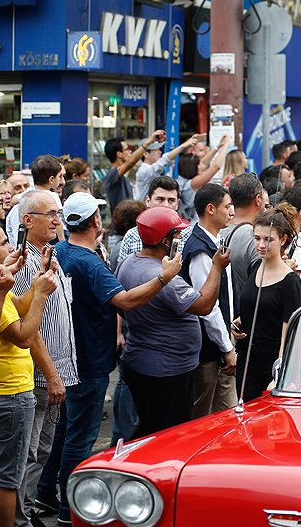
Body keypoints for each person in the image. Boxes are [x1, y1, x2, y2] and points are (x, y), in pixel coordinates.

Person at [54, 193, 182, 524]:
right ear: (96, 221)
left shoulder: (62, 251)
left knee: (66, 432)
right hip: (90, 362)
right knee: (80, 440)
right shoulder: (88, 261)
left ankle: (45, 493)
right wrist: (164, 277)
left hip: (73, 359)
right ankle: (70, 510)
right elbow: (124, 301)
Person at [117, 207, 229, 438]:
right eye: (177, 234)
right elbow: (204, 305)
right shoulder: (163, 277)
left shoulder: (128, 262)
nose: (180, 238)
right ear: (165, 240)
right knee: (166, 435)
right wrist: (216, 267)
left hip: (143, 363)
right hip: (167, 373)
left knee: (149, 428)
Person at [11, 192, 74, 527]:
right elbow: (28, 330)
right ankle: (18, 518)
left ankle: (26, 512)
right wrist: (50, 374)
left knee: (41, 451)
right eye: (48, 213)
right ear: (27, 221)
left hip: (52, 374)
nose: (56, 219)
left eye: (58, 213)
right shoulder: (24, 263)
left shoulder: (50, 255)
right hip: (36, 377)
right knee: (29, 454)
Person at [0, 227, 56, 527]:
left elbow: (17, 307)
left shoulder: (0, 289)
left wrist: (35, 283)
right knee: (7, 478)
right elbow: (23, 335)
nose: (11, 246)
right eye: (4, 242)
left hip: (10, 394)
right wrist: (43, 294)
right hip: (8, 395)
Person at [231, 204, 301, 402]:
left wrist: (280, 372)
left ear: (283, 240)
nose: (261, 245)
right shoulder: (255, 268)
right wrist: (238, 322)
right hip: (247, 358)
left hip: (271, 362)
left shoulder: (291, 282)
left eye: (268, 239)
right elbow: (258, 306)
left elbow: (289, 332)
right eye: (257, 238)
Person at [179, 184, 237, 418]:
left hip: (220, 339)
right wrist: (227, 347)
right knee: (201, 414)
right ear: (210, 209)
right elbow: (207, 306)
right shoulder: (201, 249)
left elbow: (225, 294)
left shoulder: (216, 239)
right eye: (227, 206)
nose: (231, 211)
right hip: (208, 347)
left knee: (227, 411)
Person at [220, 173, 268, 304]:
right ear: (258, 199)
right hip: (246, 316)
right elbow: (264, 285)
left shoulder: (219, 229)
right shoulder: (254, 237)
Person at [7, 155, 65, 246]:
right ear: (51, 179)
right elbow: (59, 223)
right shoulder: (53, 197)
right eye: (59, 177)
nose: (62, 181)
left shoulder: (27, 194)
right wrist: (62, 242)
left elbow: (14, 199)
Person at [104, 131, 164, 216]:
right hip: (121, 226)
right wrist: (148, 142)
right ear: (119, 154)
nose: (130, 152)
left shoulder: (122, 176)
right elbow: (130, 163)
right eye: (127, 149)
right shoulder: (112, 174)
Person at [176, 134, 229, 222]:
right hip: (192, 225)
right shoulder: (192, 183)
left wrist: (219, 146)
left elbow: (204, 162)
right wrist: (226, 144)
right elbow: (216, 167)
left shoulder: (185, 180)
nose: (201, 166)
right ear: (194, 167)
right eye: (199, 164)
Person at [133, 134, 195, 201]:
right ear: (145, 154)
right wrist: (183, 146)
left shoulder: (149, 169)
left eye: (159, 149)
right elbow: (164, 161)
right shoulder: (144, 170)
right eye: (156, 150)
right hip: (144, 209)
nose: (159, 152)